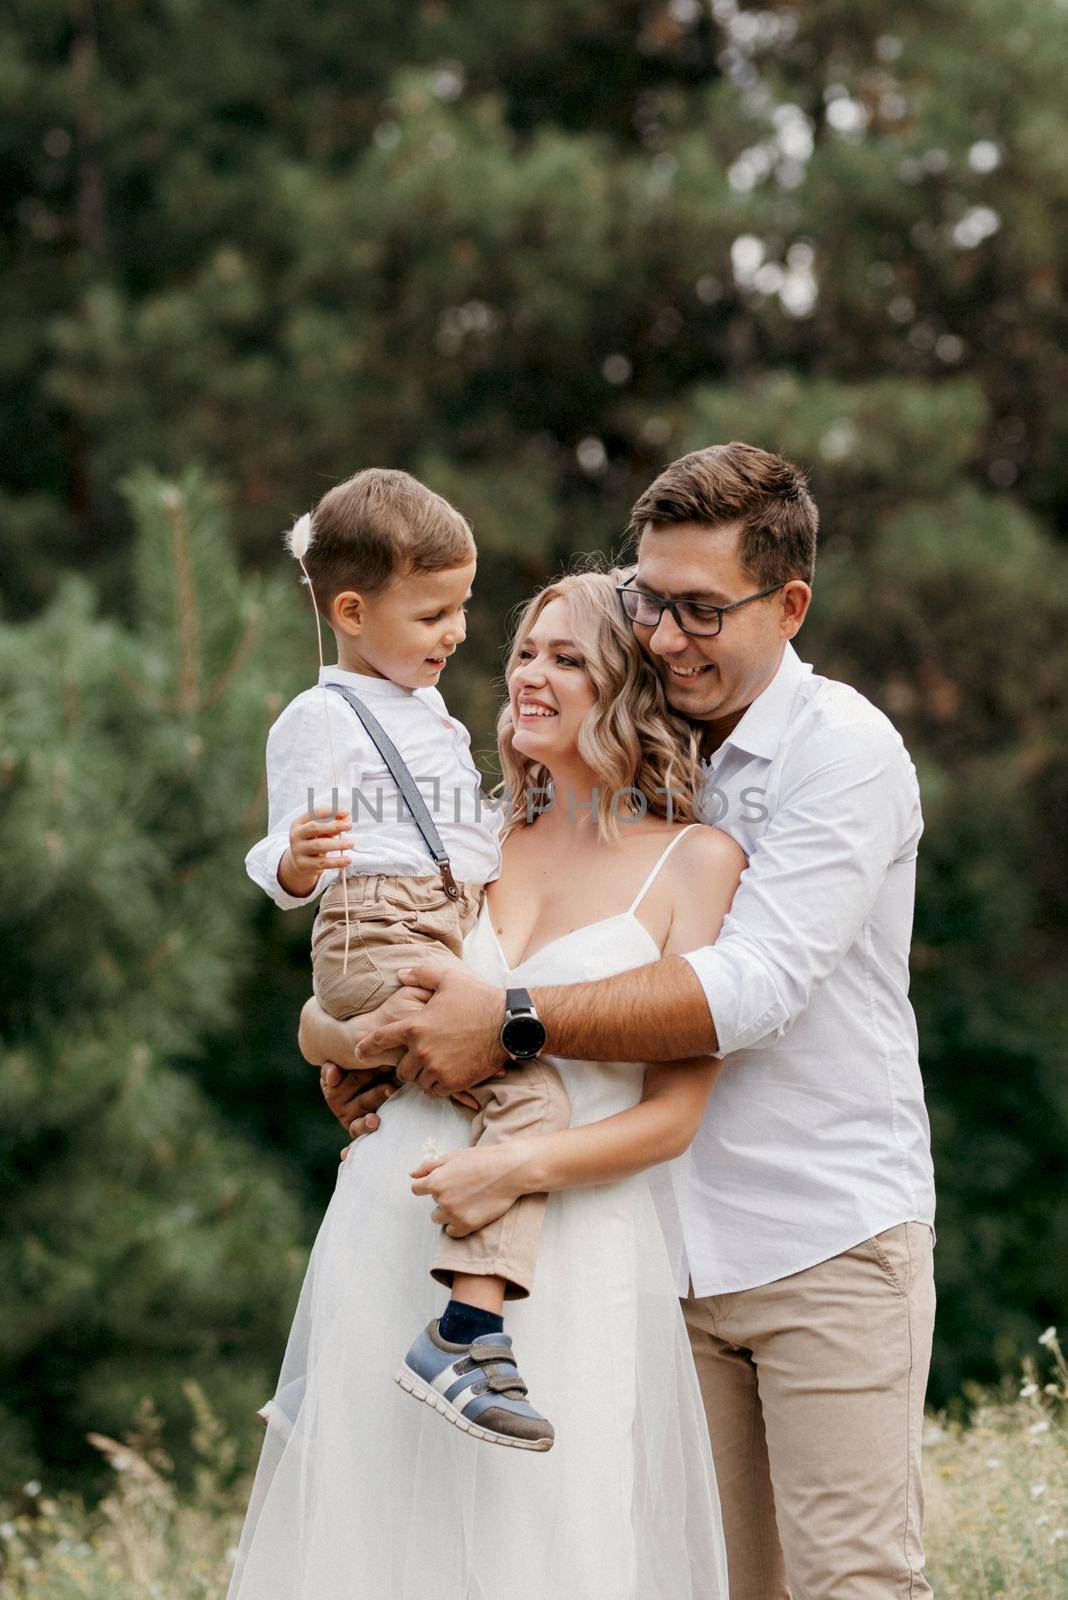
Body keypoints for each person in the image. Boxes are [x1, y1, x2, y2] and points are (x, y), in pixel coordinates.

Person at [325, 443, 938, 1600]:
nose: (664, 634)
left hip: (819, 1237)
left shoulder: (840, 756)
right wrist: (385, 1050)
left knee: (853, 1583)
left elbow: (749, 991)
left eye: (702, 609)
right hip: (639, 1256)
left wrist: (500, 1022)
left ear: (789, 603)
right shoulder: (600, 769)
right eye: (650, 601)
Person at [229, 570, 744, 1600]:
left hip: (568, 1253)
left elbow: (673, 1119)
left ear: (631, 686)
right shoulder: (467, 832)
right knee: (373, 1550)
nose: (530, 677)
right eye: (524, 653)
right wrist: (329, 1040)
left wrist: (510, 1165)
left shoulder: (696, 862)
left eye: (568, 658)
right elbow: (346, 985)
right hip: (393, 1223)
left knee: (547, 1557)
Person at [244, 466, 573, 1448]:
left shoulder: (424, 712)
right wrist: (294, 861)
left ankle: (332, 1366)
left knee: (406, 1121)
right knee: (529, 1099)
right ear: (351, 610)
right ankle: (465, 1335)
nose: (458, 631)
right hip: (374, 926)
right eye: (434, 612)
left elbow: (452, 838)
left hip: (430, 918)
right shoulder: (322, 717)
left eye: (463, 607)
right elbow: (278, 848)